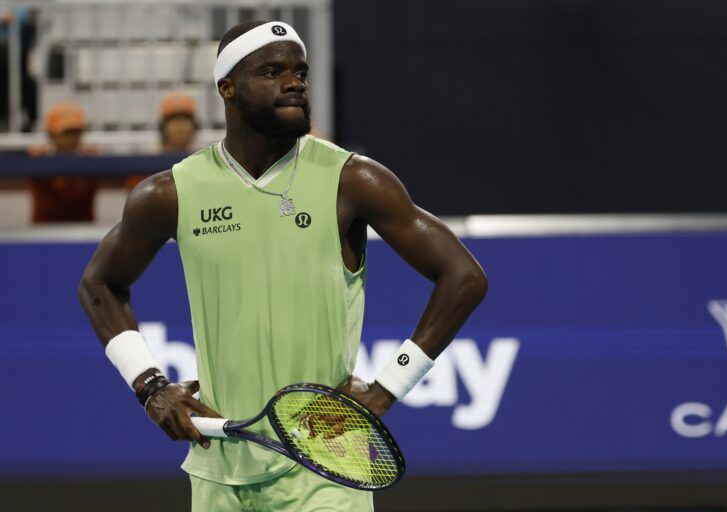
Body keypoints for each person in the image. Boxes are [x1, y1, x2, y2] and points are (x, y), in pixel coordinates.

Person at [78, 20, 487, 511]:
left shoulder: (352, 179)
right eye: (273, 71)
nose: (295, 82)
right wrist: (150, 386)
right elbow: (99, 283)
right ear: (227, 88)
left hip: (326, 469)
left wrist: (383, 394)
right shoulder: (169, 193)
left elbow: (463, 277)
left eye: (301, 72)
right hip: (218, 468)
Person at [28, 101, 98, 223]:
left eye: (76, 132)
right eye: (66, 133)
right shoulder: (37, 161)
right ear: (51, 135)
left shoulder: (92, 161)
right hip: (43, 236)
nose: (71, 138)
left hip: (82, 234)